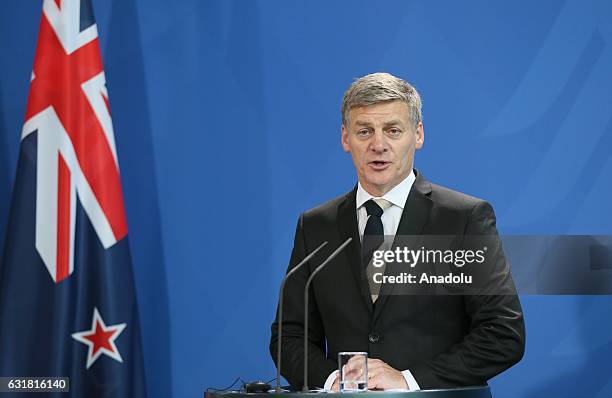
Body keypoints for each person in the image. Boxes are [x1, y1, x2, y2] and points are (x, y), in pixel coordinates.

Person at [269, 72, 525, 391]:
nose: (379, 145)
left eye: (392, 130)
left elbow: (502, 335)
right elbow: (290, 336)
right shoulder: (315, 225)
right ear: (346, 139)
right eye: (365, 131)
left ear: (417, 135)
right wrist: (336, 380)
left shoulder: (464, 219)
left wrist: (408, 381)